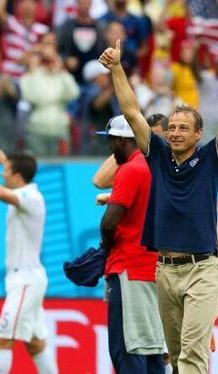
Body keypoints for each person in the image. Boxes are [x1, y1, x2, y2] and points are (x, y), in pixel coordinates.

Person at [99, 39, 218, 373]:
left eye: (183, 128)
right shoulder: (157, 155)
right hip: (164, 269)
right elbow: (132, 112)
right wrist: (116, 68)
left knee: (191, 357)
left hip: (202, 270)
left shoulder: (210, 159)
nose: (174, 133)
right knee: (174, 357)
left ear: (198, 134)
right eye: (171, 127)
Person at [0, 149, 57, 374]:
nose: (2, 175)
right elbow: (10, 182)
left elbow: (0, 192)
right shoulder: (26, 192)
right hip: (25, 280)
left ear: (17, 175)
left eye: (5, 171)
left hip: (26, 281)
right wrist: (5, 161)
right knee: (35, 344)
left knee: (1, 340)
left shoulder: (30, 197)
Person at [96, 115, 165, 373]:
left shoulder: (130, 169)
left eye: (112, 141)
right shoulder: (156, 168)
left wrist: (104, 248)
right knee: (152, 350)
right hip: (152, 269)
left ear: (124, 140)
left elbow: (108, 223)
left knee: (127, 349)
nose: (110, 147)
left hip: (128, 267)